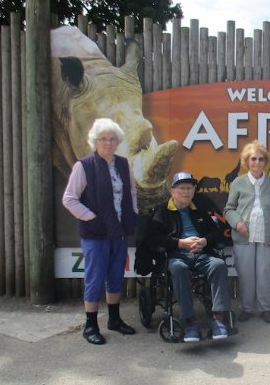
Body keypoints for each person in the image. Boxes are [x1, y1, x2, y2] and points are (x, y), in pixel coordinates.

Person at [63, 118, 138, 345]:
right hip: (95, 234)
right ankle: (90, 325)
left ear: (118, 141)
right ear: (95, 141)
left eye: (112, 138)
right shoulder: (84, 166)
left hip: (119, 232)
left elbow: (132, 192)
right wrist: (92, 218)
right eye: (103, 139)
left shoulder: (124, 164)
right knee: (94, 279)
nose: (107, 142)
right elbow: (69, 199)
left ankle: (114, 320)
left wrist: (132, 213)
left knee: (115, 276)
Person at [146, 172, 232, 342]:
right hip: (176, 256)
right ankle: (190, 321)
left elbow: (216, 233)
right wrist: (180, 243)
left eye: (190, 188)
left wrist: (204, 241)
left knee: (219, 265)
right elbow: (153, 239)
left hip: (201, 255)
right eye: (182, 188)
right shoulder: (162, 212)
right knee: (179, 269)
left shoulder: (199, 211)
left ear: (194, 191)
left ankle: (219, 319)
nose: (186, 192)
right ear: (172, 191)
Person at [223, 140, 270, 324]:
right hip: (243, 237)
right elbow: (228, 209)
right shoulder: (237, 183)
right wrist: (237, 223)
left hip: (267, 237)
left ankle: (265, 308)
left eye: (260, 159)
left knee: (264, 273)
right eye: (253, 159)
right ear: (246, 161)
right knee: (246, 274)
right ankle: (247, 308)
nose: (257, 163)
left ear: (265, 162)